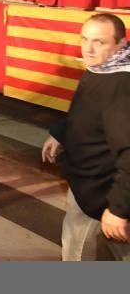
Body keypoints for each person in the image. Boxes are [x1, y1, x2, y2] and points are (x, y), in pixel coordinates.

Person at [41, 14, 130, 261]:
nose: (88, 48)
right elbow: (85, 111)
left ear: (120, 44)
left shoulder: (120, 86)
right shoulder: (103, 67)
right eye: (84, 39)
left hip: (102, 187)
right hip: (88, 180)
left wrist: (118, 209)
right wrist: (60, 133)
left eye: (99, 42)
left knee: (75, 249)